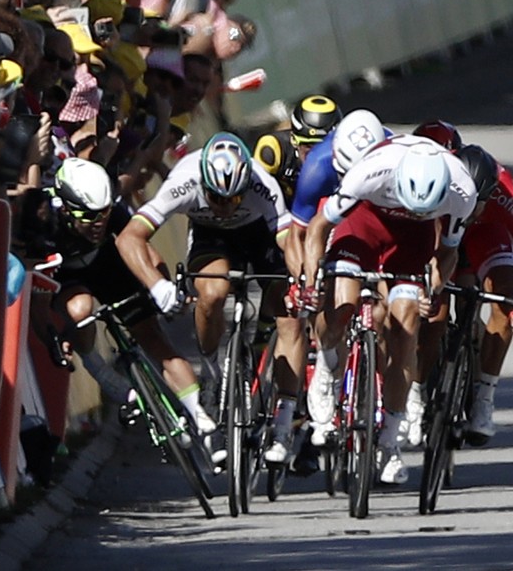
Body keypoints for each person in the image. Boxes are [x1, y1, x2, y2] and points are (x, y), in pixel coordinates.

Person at [116, 132, 306, 465]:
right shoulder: (184, 181)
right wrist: (156, 284)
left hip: (258, 233)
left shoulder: (262, 186)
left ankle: (284, 420)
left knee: (289, 313)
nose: (223, 207)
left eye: (233, 199)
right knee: (212, 292)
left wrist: (300, 282)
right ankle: (211, 373)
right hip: (211, 238)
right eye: (216, 198)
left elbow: (289, 242)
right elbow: (129, 237)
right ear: (203, 183)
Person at [302, 135, 476, 484]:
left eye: (422, 208)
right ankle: (326, 365)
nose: (413, 210)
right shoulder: (370, 172)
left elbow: (447, 252)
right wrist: (311, 280)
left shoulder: (462, 190)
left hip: (414, 239)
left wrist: (433, 287)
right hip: (364, 223)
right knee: (342, 305)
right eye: (411, 204)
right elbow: (319, 227)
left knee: (406, 326)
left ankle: (390, 440)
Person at [21, 157, 216, 436]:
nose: (99, 222)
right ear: (64, 208)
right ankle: (97, 368)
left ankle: (198, 414)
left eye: (104, 213)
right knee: (81, 309)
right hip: (65, 276)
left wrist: (164, 288)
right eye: (88, 216)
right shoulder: (42, 219)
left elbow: (144, 250)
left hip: (106, 263)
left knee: (153, 337)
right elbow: (38, 301)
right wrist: (52, 339)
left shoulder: (110, 213)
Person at [411, 144, 513, 447]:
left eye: (479, 202)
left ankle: (484, 397)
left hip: (487, 235)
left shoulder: (506, 197)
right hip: (442, 237)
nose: (472, 206)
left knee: (506, 292)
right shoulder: (441, 185)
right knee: (436, 314)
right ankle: (416, 392)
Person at [283, 109, 389, 445]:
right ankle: (328, 367)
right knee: (336, 298)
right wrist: (306, 280)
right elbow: (298, 235)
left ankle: (390, 395)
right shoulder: (318, 165)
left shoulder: (392, 154)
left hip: (382, 209)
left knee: (396, 306)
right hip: (334, 216)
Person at [253, 94, 343, 207]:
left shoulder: (349, 154)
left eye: (322, 147)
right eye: (308, 146)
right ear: (293, 140)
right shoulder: (273, 150)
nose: (315, 154)